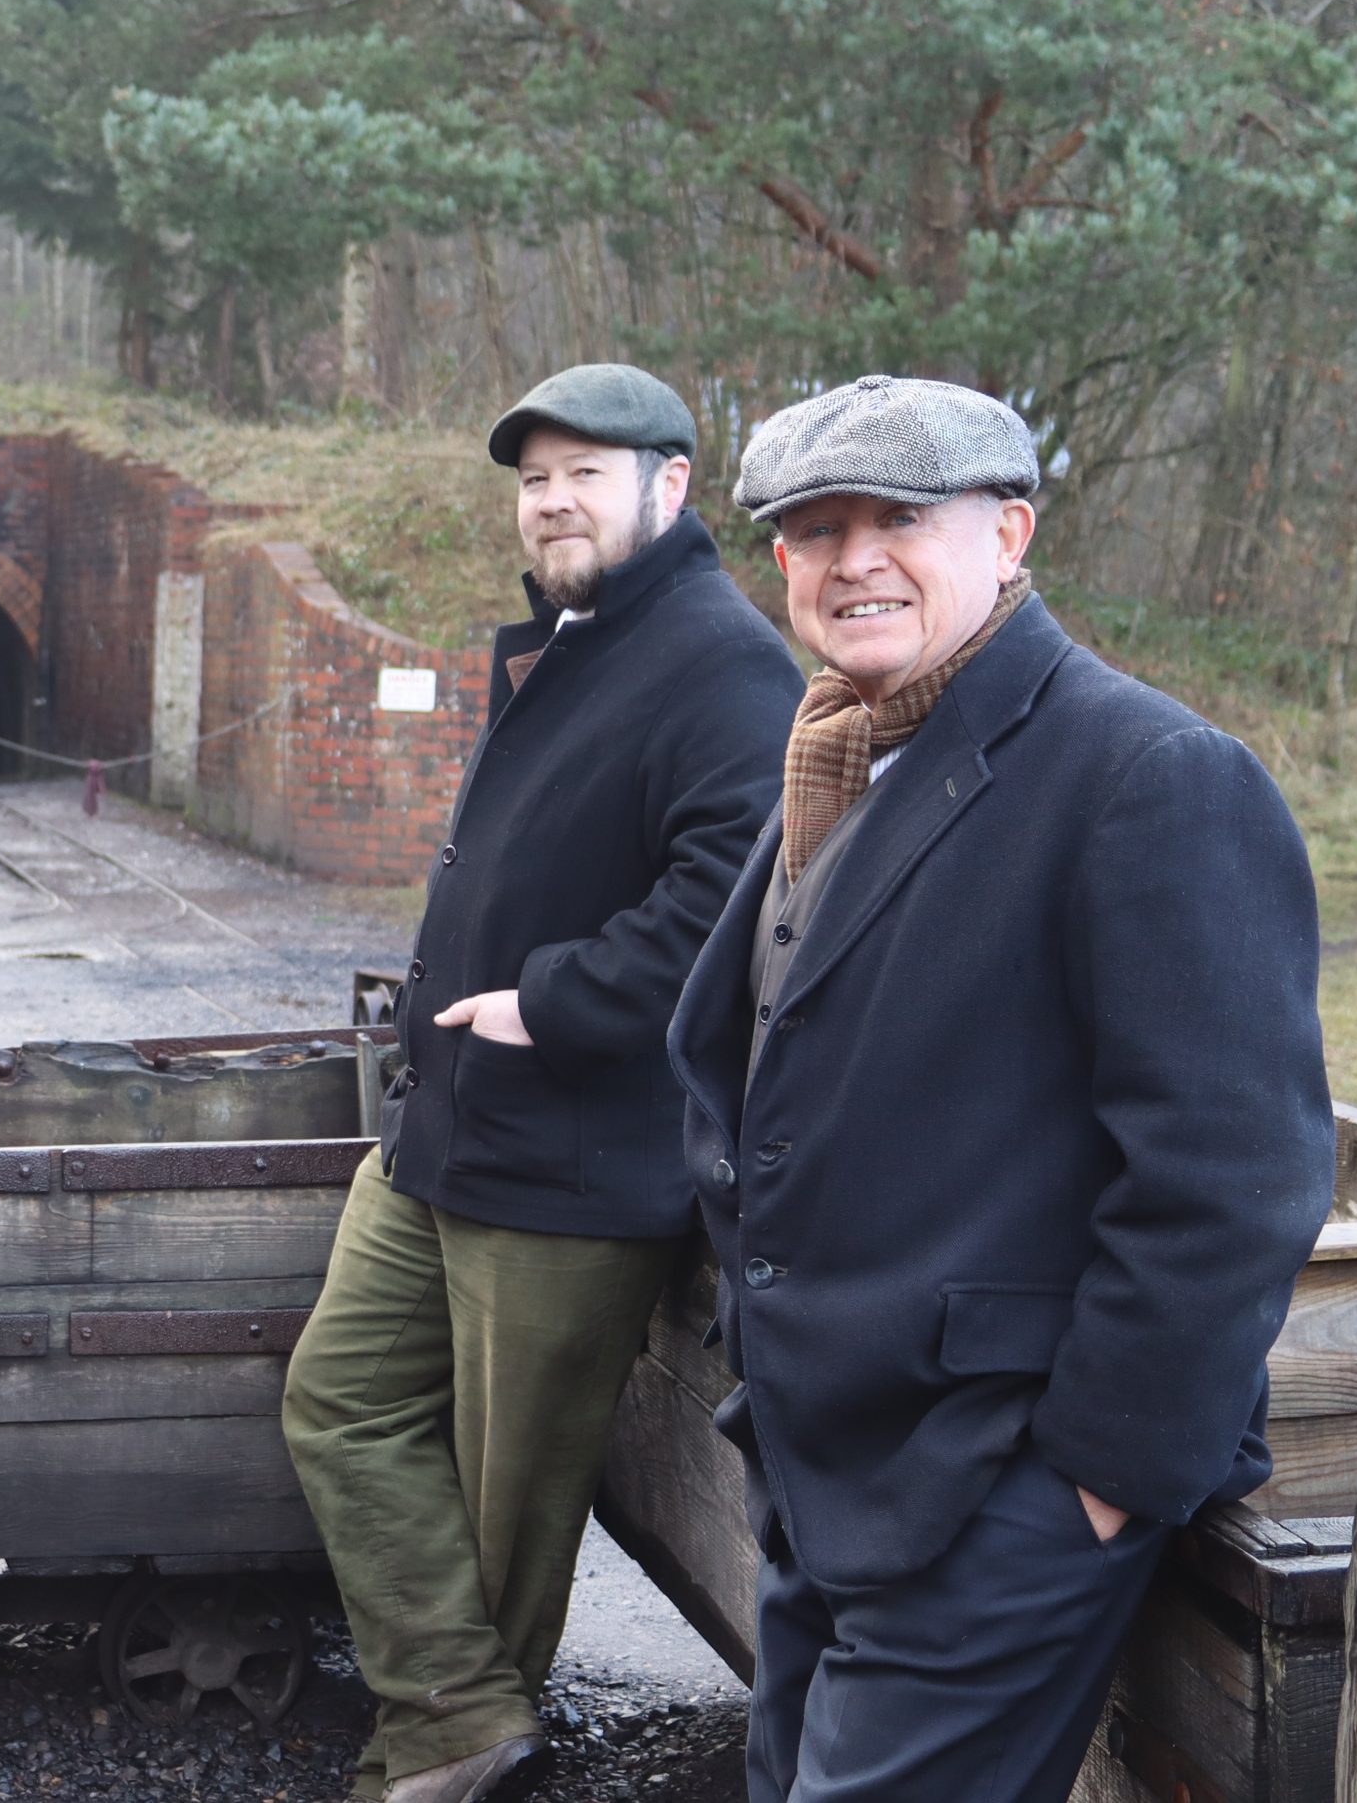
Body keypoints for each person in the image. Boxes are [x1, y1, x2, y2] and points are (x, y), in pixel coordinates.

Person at [666, 374, 1337, 1803]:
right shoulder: (837, 756)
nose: (851, 557)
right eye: (810, 526)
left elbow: (1233, 1177)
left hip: (996, 1499)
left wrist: (1086, 1489)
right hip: (823, 1468)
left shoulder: (1150, 773)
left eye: (899, 515)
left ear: (1010, 533)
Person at [282, 364, 801, 1803]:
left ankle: (437, 1760)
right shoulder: (576, 638)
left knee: (510, 1508)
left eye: (587, 469)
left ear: (671, 485)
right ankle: (456, 1718)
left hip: (575, 1165)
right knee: (339, 1402)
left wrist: (548, 1001)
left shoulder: (721, 662)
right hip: (440, 1134)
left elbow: (732, 905)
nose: (553, 498)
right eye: (533, 477)